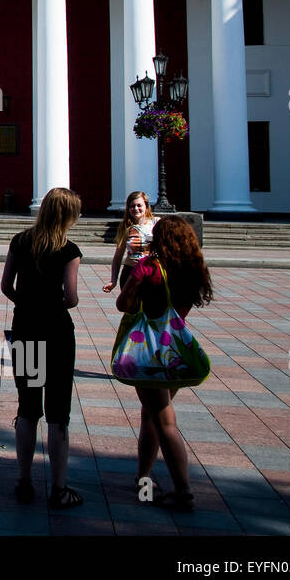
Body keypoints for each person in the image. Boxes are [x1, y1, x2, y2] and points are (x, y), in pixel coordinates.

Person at [116, 216, 213, 513]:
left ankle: (183, 491)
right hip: (174, 352)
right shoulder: (192, 268)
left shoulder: (149, 267)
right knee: (151, 415)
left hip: (150, 354)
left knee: (164, 420)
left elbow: (124, 304)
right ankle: (143, 479)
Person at [0, 186, 83, 508]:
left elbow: (6, 285)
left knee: (28, 408)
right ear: (67, 216)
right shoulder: (69, 250)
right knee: (58, 413)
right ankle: (59, 489)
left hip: (26, 328)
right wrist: (52, 303)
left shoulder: (20, 241)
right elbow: (71, 298)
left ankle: (23, 482)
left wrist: (28, 303)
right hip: (58, 333)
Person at [103, 191, 159, 292]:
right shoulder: (125, 227)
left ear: (146, 206)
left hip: (152, 273)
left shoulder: (156, 223)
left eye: (139, 205)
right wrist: (113, 281)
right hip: (131, 274)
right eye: (132, 206)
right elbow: (118, 256)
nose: (136, 209)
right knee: (130, 307)